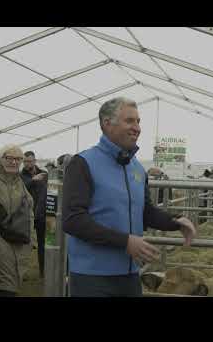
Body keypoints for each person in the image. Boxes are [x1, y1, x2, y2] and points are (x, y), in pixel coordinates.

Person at [62, 97, 196, 297]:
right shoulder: (83, 163)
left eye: (138, 121)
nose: (137, 127)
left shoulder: (137, 169)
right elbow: (73, 220)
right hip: (92, 276)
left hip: (129, 274)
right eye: (129, 121)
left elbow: (145, 211)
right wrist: (125, 242)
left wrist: (175, 221)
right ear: (107, 123)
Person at [0, 145, 35, 297]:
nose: (14, 162)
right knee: (3, 287)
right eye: (9, 158)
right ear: (1, 159)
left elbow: (28, 210)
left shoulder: (18, 181)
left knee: (9, 286)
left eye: (18, 159)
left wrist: (31, 239)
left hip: (17, 243)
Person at [21, 151, 48, 278]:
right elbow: (21, 187)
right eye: (25, 161)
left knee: (43, 244)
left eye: (30, 161)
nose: (28, 164)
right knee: (24, 244)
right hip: (27, 215)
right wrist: (33, 180)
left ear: (35, 161)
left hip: (42, 215)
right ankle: (22, 272)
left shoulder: (44, 174)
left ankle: (43, 271)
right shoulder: (20, 175)